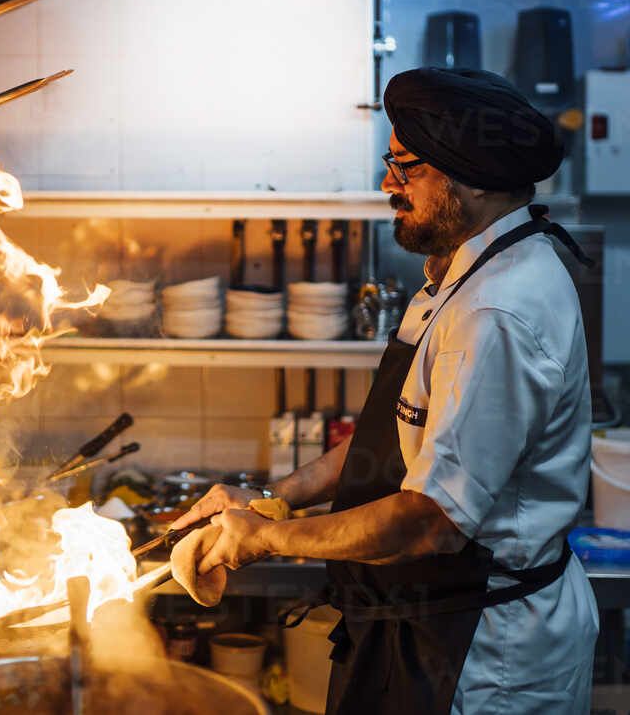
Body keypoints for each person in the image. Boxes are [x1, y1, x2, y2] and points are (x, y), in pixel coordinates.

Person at [171, 67, 598, 715]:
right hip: (423, 624)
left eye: (407, 168)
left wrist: (264, 538)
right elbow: (394, 440)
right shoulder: (456, 273)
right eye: (389, 163)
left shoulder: (496, 312)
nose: (386, 185)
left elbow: (433, 522)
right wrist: (267, 499)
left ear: (472, 174)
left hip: (483, 654)